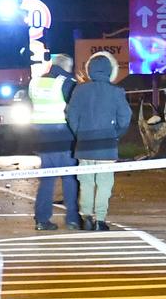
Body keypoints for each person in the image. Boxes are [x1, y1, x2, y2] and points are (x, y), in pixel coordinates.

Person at [67, 50, 133, 230]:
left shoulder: (79, 90)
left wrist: (79, 132)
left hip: (84, 143)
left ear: (89, 70)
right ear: (111, 70)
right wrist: (116, 133)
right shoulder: (117, 92)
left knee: (86, 182)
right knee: (104, 182)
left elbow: (71, 115)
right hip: (107, 144)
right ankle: (100, 220)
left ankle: (86, 217)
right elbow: (125, 117)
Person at [28, 51, 81, 231]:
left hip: (41, 137)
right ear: (67, 67)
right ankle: (72, 219)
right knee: (69, 178)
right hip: (63, 136)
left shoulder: (35, 82)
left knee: (47, 179)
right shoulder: (66, 83)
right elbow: (75, 110)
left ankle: (42, 219)